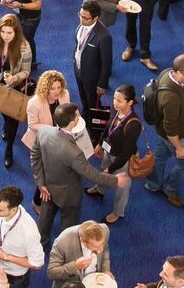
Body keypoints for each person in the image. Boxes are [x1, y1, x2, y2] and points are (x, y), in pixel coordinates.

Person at [32, 102, 126, 244]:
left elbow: (35, 155)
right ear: (71, 122)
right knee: (68, 227)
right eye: (76, 115)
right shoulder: (74, 153)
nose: (78, 116)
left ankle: (41, 242)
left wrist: (40, 183)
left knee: (45, 216)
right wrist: (116, 180)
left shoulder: (44, 131)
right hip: (68, 194)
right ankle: (64, 249)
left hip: (47, 186)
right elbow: (92, 175)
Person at [144, 54, 184, 208]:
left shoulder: (167, 73)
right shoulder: (170, 99)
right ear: (179, 73)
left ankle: (153, 184)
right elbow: (171, 130)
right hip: (172, 135)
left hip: (160, 130)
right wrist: (179, 148)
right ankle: (169, 188)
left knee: (160, 156)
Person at [0, 14, 33, 169]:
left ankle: (9, 148)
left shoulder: (24, 46)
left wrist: (15, 78)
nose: (5, 36)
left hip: (13, 85)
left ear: (16, 32)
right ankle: (6, 124)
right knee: (1, 107)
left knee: (13, 117)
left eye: (9, 33)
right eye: (3, 32)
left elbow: (27, 71)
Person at [85, 84, 142, 223]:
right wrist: (99, 144)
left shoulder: (133, 124)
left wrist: (110, 168)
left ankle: (118, 212)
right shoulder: (116, 110)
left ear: (130, 102)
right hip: (108, 150)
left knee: (122, 187)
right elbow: (107, 127)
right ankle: (100, 189)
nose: (115, 103)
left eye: (119, 100)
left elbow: (126, 153)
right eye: (114, 99)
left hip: (122, 159)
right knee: (104, 174)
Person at [71, 2, 112, 132]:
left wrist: (102, 84)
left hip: (93, 77)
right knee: (83, 96)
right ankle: (86, 114)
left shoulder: (104, 36)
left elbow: (107, 63)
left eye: (85, 18)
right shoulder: (82, 25)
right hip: (79, 69)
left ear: (95, 18)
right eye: (80, 15)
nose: (81, 19)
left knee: (93, 102)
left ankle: (94, 129)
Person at [46, 221, 111, 288]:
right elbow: (51, 273)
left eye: (102, 244)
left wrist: (105, 270)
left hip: (92, 286)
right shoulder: (62, 242)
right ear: (82, 241)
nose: (100, 249)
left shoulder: (104, 229)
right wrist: (75, 266)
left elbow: (105, 251)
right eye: (96, 246)